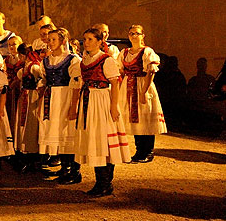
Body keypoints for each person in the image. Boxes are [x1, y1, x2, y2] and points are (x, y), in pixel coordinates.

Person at [70, 28, 130, 197]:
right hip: (88, 99)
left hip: (102, 100)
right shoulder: (84, 61)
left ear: (98, 41)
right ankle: (101, 182)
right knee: (95, 140)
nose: (86, 42)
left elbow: (115, 84)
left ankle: (105, 183)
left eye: (90, 39)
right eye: (85, 39)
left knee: (104, 140)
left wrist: (113, 107)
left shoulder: (106, 60)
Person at [36, 28, 82, 183]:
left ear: (63, 41)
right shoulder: (46, 61)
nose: (50, 42)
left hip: (65, 97)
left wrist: (73, 106)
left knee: (67, 132)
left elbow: (77, 84)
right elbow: (43, 81)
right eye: (49, 39)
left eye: (53, 39)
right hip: (51, 99)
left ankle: (73, 171)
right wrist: (41, 102)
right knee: (56, 132)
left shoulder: (72, 59)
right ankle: (64, 167)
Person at [118, 24, 167, 163]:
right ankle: (139, 151)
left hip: (142, 85)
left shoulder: (147, 52)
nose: (134, 36)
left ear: (142, 35)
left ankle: (148, 151)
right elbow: (121, 71)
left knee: (145, 118)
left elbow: (151, 72)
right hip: (129, 86)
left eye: (137, 33)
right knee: (135, 121)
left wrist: (144, 91)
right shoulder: (124, 53)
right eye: (131, 33)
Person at [14, 44, 43, 173]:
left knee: (30, 125)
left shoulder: (34, 66)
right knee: (23, 125)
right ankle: (25, 155)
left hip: (32, 97)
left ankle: (33, 158)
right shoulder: (26, 67)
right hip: (25, 96)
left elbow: (42, 80)